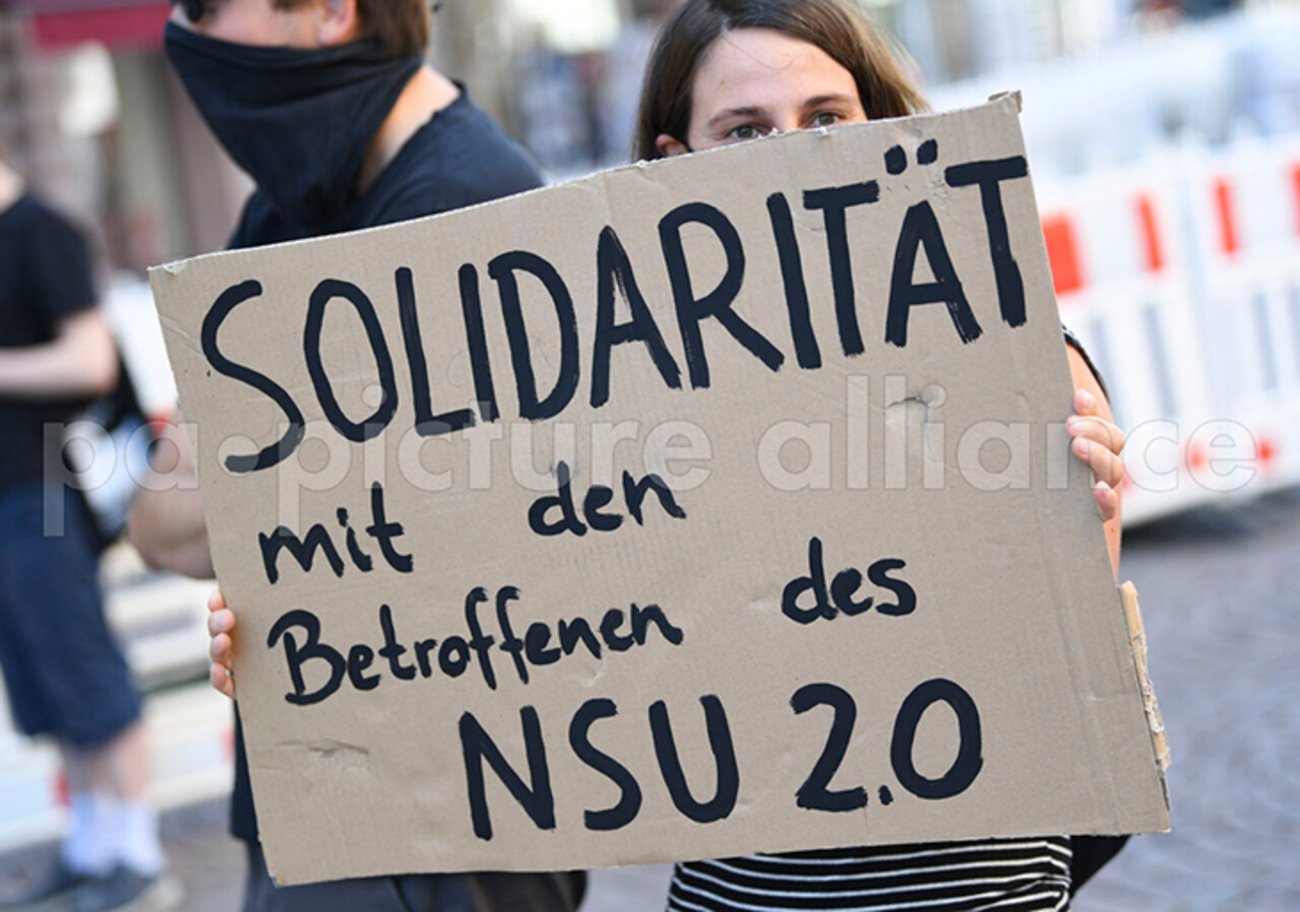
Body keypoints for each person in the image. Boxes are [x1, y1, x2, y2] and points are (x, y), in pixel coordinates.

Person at [632, 0, 1128, 908]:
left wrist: (1085, 514)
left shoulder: (1010, 351)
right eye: (744, 131)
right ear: (677, 163)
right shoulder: (627, 395)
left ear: (877, 124)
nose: (790, 152)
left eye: (825, 119)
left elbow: (1073, 694)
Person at [129, 1, 585, 908]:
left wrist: (264, 475)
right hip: (304, 799)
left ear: (332, 11)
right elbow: (159, 524)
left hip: (455, 818)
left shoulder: (471, 201)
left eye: (213, 5)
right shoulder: (282, 211)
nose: (187, 27)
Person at [0, 157, 179, 912]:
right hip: (11, 490)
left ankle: (135, 852)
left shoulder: (39, 231)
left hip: (41, 485)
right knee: (45, 676)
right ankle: (93, 844)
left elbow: (89, 359)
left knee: (80, 659)